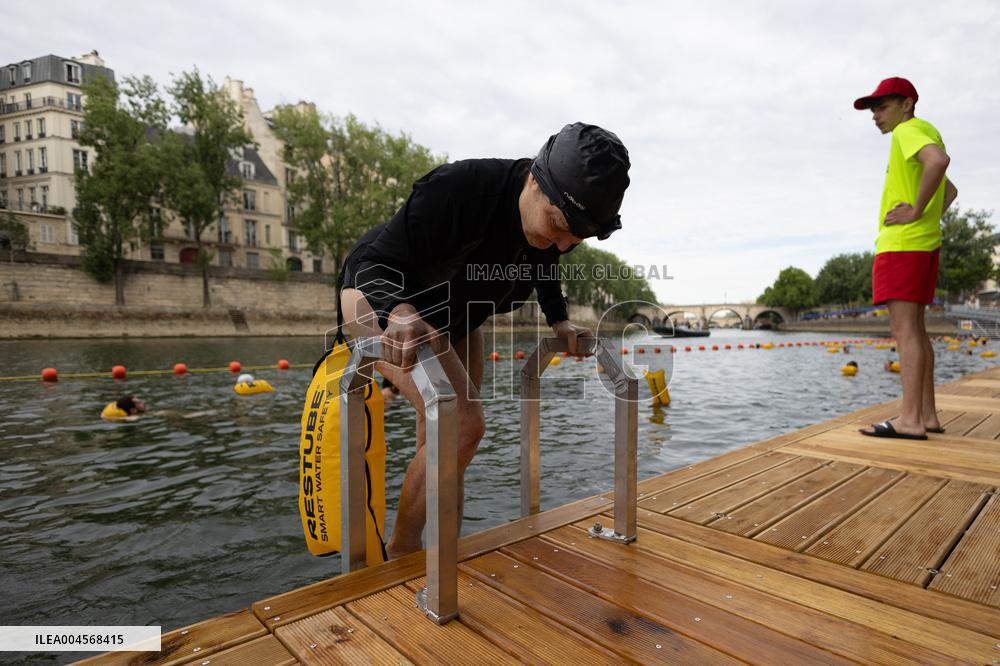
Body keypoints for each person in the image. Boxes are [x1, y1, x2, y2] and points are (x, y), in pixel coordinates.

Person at [336, 122, 630, 558]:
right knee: (463, 424)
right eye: (557, 226)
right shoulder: (457, 188)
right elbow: (375, 262)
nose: (562, 245)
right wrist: (396, 312)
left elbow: (545, 263)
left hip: (457, 316)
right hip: (380, 300)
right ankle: (400, 555)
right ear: (534, 179)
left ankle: (445, 556)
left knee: (448, 443)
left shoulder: (550, 234)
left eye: (576, 239)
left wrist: (560, 323)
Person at [856, 78, 956, 440]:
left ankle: (910, 419)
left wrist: (914, 212)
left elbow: (939, 162)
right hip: (924, 245)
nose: (875, 116)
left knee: (904, 331)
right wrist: (928, 217)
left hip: (902, 245)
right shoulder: (924, 132)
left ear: (907, 104)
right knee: (917, 331)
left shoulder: (908, 131)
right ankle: (926, 415)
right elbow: (951, 190)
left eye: (882, 107)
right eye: (873, 110)